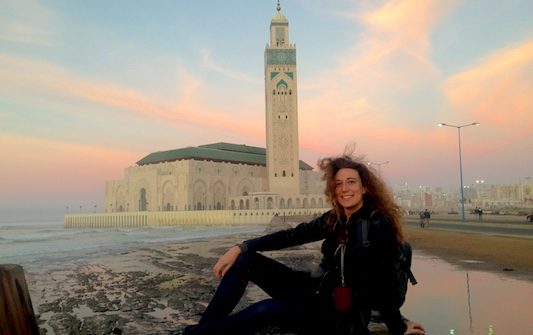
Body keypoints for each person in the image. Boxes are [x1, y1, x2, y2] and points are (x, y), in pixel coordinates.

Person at [181, 153, 425, 335]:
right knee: (245, 261)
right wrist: (241, 246)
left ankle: (194, 334)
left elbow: (381, 282)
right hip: (314, 289)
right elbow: (293, 235)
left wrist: (398, 325)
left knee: (266, 310)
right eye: (338, 184)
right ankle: (205, 329)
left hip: (338, 313)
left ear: (364, 187)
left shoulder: (376, 225)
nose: (344, 189)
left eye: (351, 182)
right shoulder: (336, 218)